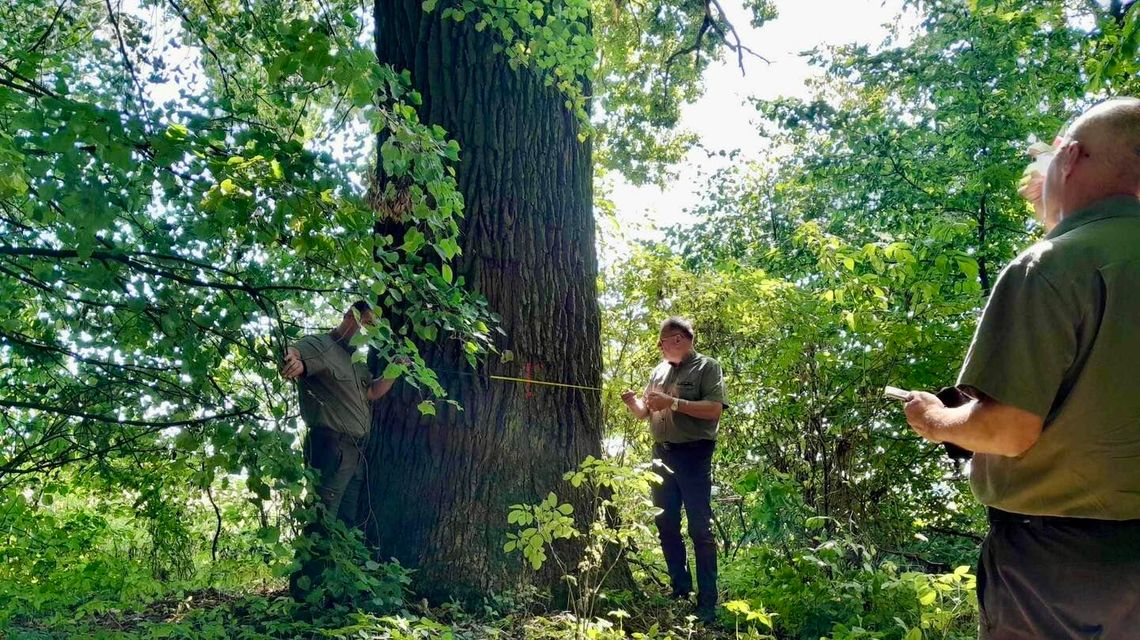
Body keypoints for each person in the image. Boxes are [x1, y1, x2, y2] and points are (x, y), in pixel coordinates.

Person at [902, 97, 1140, 638]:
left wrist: (935, 419)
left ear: (1072, 157)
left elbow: (1006, 431)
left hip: (1057, 565)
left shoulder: (1054, 265)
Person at [280, 300, 400, 600]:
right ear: (350, 317)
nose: (365, 330)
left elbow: (372, 392)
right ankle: (306, 591)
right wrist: (293, 362)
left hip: (355, 450)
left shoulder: (355, 361)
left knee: (347, 518)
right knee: (324, 518)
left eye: (371, 327)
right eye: (363, 322)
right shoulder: (322, 345)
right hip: (331, 445)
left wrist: (397, 369)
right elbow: (295, 353)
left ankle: (337, 588)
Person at [621, 317, 729, 621]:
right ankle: (680, 589)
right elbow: (645, 413)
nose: (659, 346)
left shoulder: (707, 367)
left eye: (662, 340)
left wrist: (673, 401)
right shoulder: (659, 370)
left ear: (679, 339)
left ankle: (708, 602)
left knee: (699, 529)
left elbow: (714, 409)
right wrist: (633, 403)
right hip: (662, 455)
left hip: (694, 455)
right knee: (666, 524)